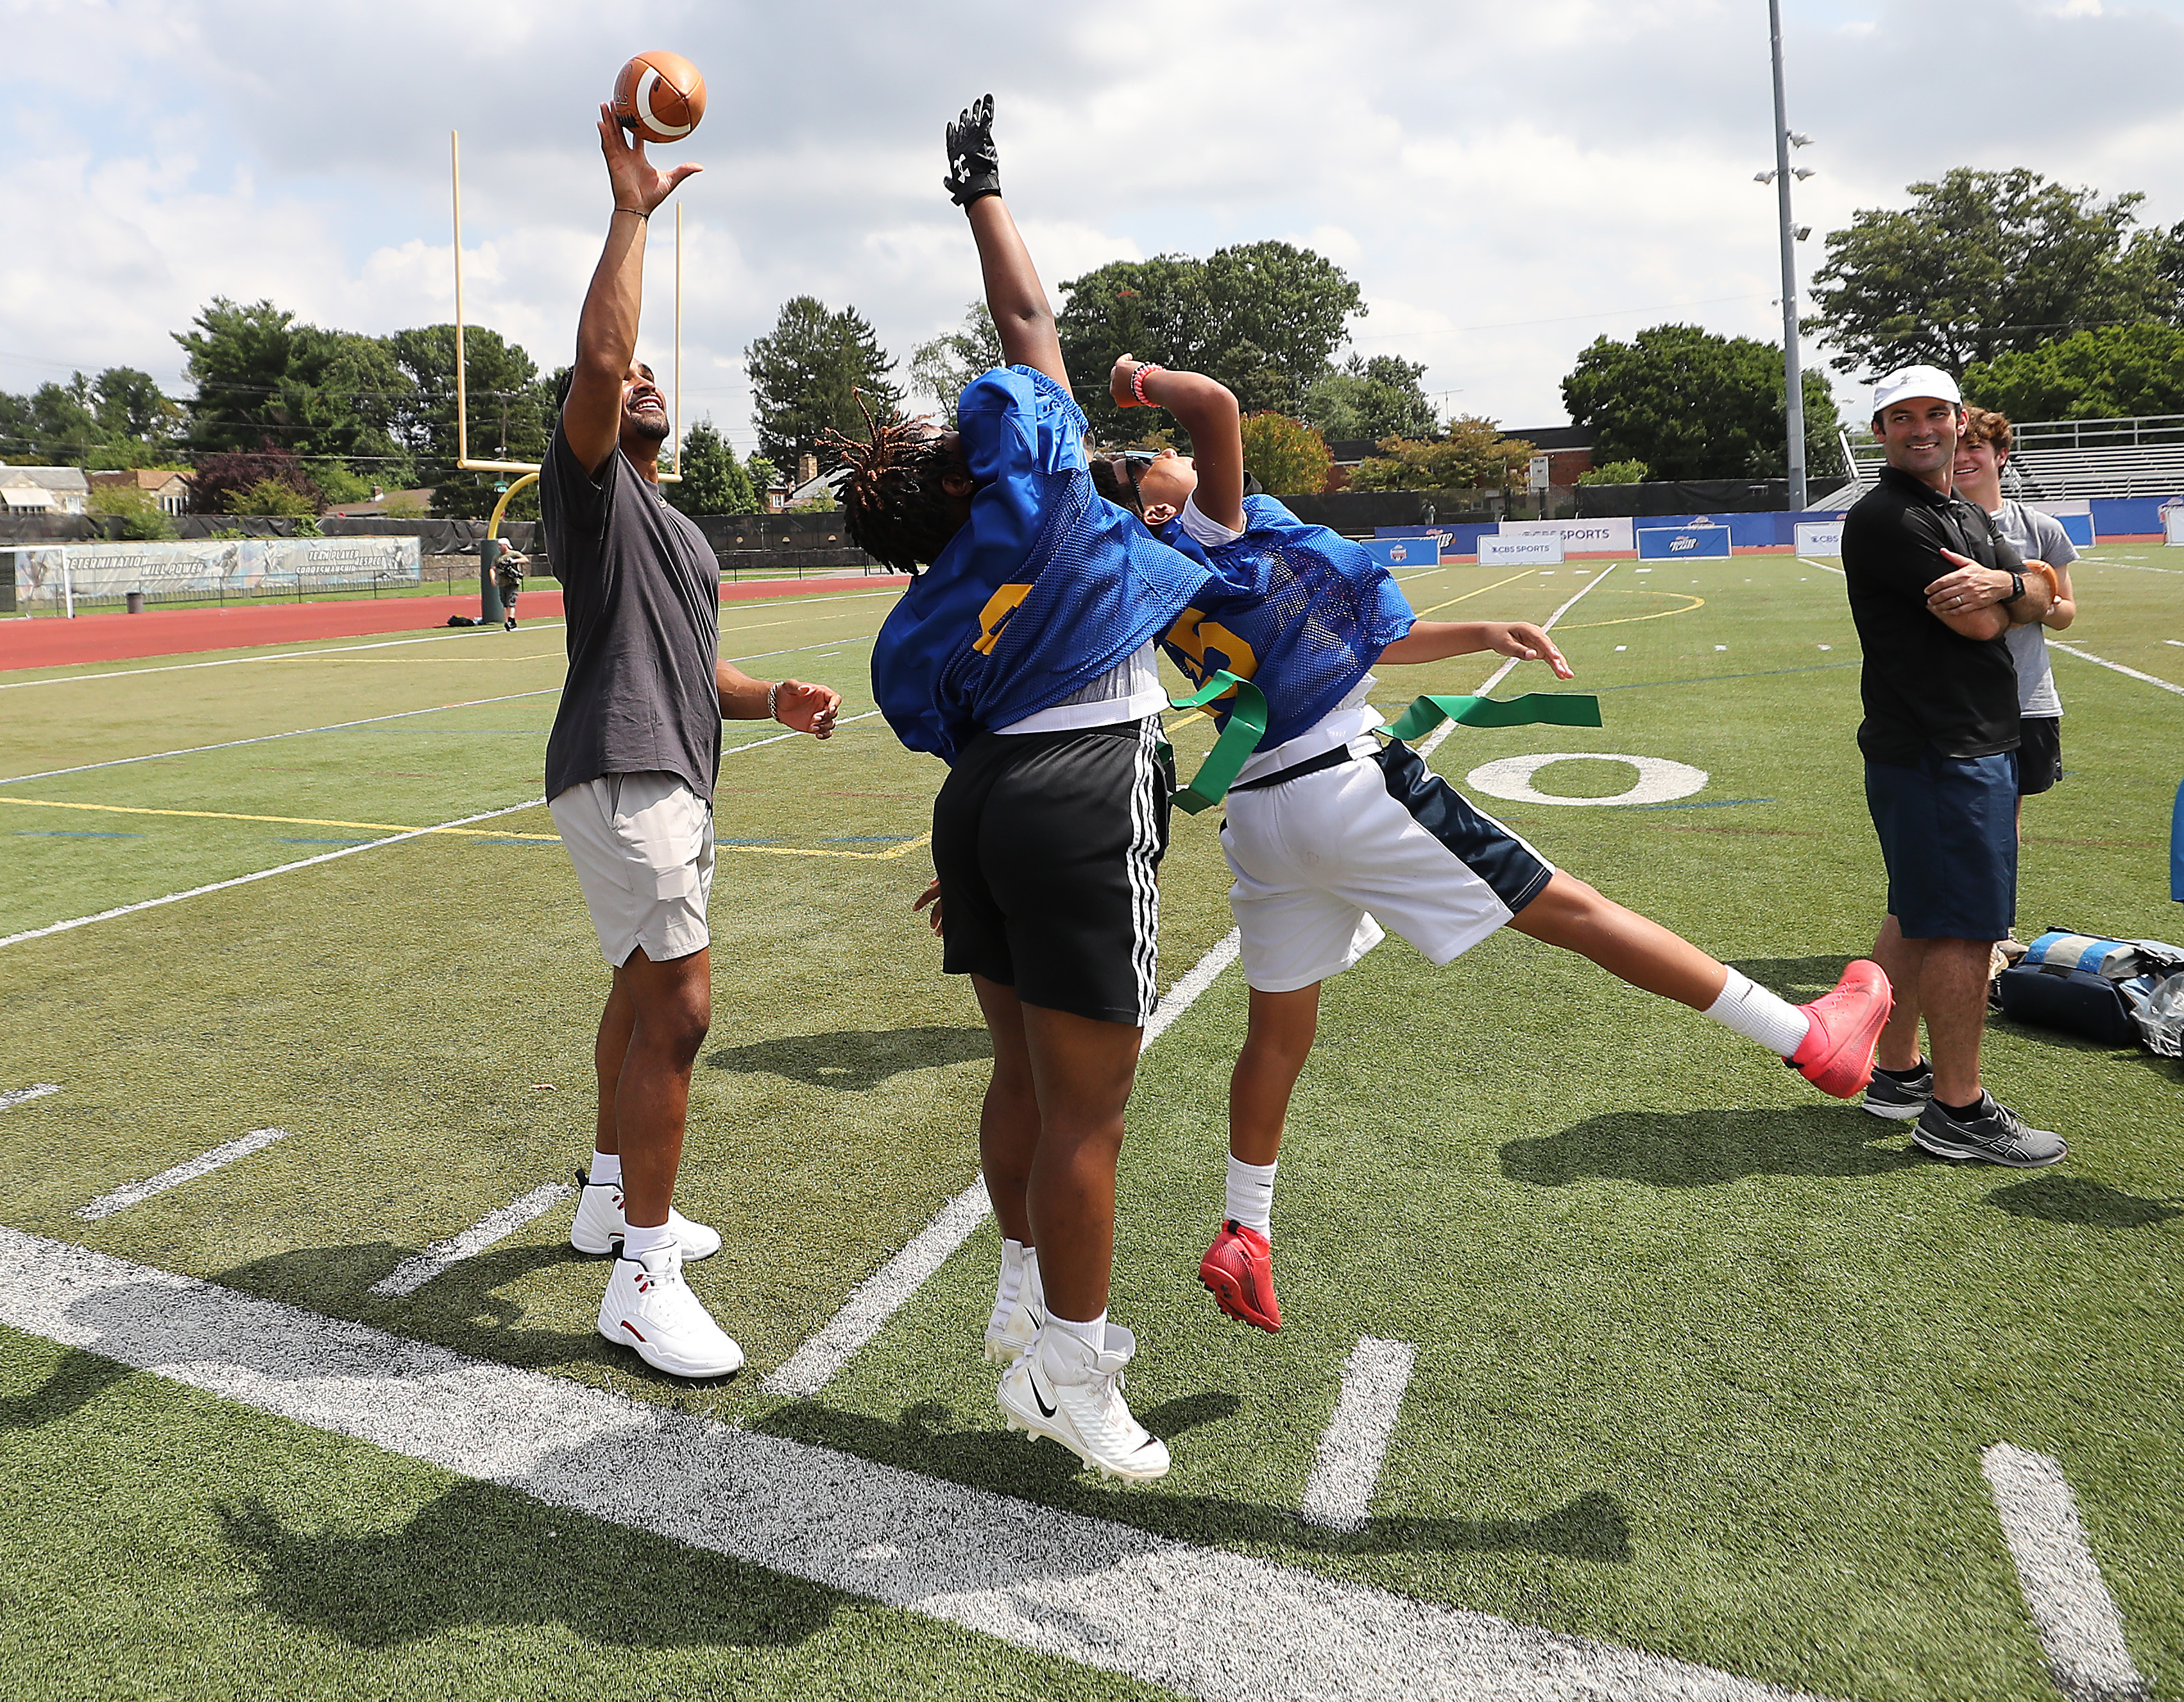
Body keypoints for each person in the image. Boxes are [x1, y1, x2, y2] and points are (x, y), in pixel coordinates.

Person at [1086, 357, 1897, 1332]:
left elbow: (1361, 647)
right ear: (1157, 511)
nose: (1166, 455)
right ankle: (1809, 1039)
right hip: (1345, 781)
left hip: (1262, 812)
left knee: (1277, 1029)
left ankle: (1246, 1231)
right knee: (1574, 910)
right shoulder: (1206, 530)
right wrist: (1138, 379)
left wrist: (1481, 631)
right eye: (1147, 462)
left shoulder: (1153, 573)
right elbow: (1213, 402)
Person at [833, 95, 1214, 1483]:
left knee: (1020, 1073)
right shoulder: (1040, 485)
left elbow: (949, 735)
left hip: (986, 806)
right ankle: (1071, 1363)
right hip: (1083, 779)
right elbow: (1027, 329)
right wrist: (981, 191)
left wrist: (991, 851)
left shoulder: (919, 617)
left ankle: (1017, 1284)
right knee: (1091, 1111)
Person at [543, 103, 842, 1380]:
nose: (643, 381)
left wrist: (770, 697)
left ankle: (611, 1200)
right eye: (630, 382)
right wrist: (628, 212)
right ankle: (641, 1281)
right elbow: (604, 369)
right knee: (682, 1009)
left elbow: (691, 670)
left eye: (660, 379)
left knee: (636, 990)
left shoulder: (678, 529)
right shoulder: (598, 489)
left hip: (665, 766)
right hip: (623, 772)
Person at [1841, 365, 2063, 1163]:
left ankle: (1897, 1074)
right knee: (1966, 930)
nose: (1921, 428)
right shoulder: (1892, 518)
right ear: (1881, 431)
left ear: (1961, 420)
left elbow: (2045, 594)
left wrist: (2005, 583)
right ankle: (1958, 1113)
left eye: (1935, 413)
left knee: (1916, 913)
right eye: (1902, 417)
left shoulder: (1955, 508)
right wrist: (2016, 595)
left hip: (1957, 742)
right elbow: (1984, 628)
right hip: (1942, 748)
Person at [1947, 407, 2078, 820]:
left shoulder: (2041, 527)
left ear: (2001, 455)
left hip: (2027, 696)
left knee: (2007, 817)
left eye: (1976, 447)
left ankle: (2004, 889)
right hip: (1958, 697)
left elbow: (2066, 613)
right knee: (1961, 813)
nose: (1964, 458)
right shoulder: (1933, 523)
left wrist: (2034, 602)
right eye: (1956, 448)